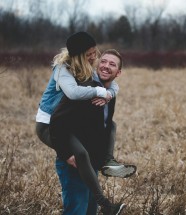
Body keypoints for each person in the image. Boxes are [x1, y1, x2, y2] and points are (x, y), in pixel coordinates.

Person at [35, 32, 136, 214]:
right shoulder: (63, 70)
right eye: (89, 54)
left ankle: (107, 160)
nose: (94, 57)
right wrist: (99, 92)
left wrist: (108, 94)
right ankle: (106, 205)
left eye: (94, 52)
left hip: (68, 128)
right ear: (79, 55)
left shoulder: (88, 72)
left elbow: (111, 85)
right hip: (49, 123)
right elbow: (73, 94)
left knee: (111, 126)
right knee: (79, 155)